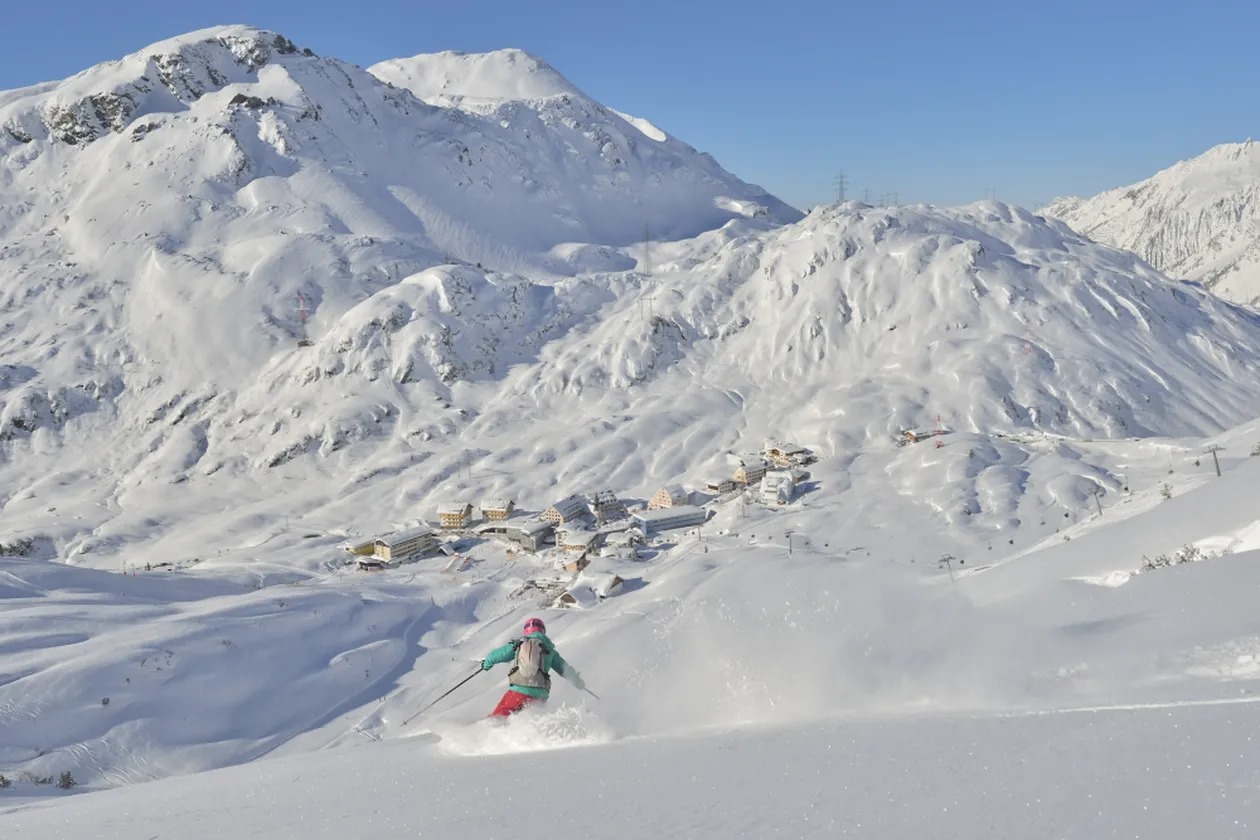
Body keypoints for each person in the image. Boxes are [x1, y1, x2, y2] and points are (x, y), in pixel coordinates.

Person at [480, 617, 585, 717]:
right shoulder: (550, 651)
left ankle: (485, 732)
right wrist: (578, 682)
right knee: (532, 719)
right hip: (540, 695)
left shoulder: (518, 644)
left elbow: (497, 655)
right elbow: (564, 669)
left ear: (526, 631)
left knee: (498, 717)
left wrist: (486, 664)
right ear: (543, 631)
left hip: (519, 690)